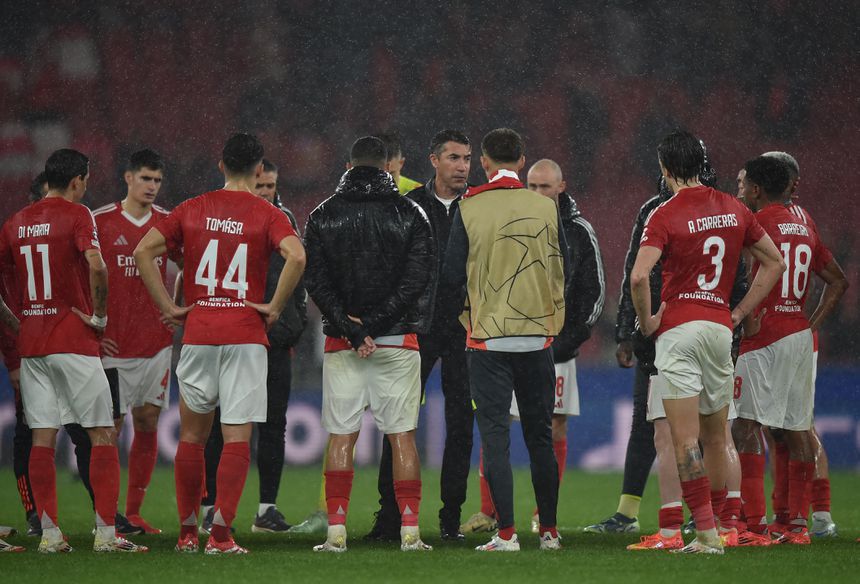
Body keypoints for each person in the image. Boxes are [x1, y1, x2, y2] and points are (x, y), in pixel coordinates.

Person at [134, 133, 306, 554]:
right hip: (245, 333)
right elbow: (297, 256)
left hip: (200, 331)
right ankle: (222, 536)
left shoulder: (191, 208)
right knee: (236, 438)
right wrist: (274, 307)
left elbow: (143, 251)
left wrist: (169, 308)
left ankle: (188, 532)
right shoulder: (266, 212)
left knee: (192, 438)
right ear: (259, 170)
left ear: (220, 165)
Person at [630, 130, 784, 554]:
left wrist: (647, 322)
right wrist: (737, 312)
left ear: (665, 168)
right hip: (719, 329)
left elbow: (640, 276)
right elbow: (774, 261)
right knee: (719, 436)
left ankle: (705, 535)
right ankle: (726, 525)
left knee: (683, 439)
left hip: (680, 330)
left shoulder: (663, 213)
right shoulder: (734, 207)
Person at [0, 149, 147, 553]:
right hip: (73, 341)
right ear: (78, 180)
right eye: (86, 179)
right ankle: (105, 534)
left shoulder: (15, 222)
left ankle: (49, 535)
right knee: (102, 433)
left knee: (42, 439)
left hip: (33, 345)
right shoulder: (79, 216)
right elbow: (97, 266)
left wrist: (18, 323)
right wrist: (99, 316)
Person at [303, 136, 435, 553]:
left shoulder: (322, 215)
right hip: (397, 342)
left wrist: (352, 328)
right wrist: (376, 325)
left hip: (343, 344)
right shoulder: (411, 212)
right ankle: (411, 533)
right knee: (402, 438)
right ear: (387, 167)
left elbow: (316, 281)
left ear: (348, 166)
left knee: (342, 436)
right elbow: (417, 280)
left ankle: (335, 533)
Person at [441, 128, 568, 552]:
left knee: (495, 436)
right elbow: (560, 266)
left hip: (488, 341)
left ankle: (508, 533)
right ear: (521, 159)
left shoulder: (470, 206)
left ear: (484, 162)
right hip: (537, 339)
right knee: (540, 438)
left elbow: (451, 276)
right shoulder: (545, 206)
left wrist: (467, 315)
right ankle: (548, 531)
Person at [467, 159, 605, 535]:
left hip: (554, 347)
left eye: (545, 187)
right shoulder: (517, 223)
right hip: (511, 339)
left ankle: (541, 517)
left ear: (561, 187)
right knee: (497, 424)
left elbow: (592, 296)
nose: (538, 192)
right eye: (532, 186)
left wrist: (563, 342)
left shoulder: (577, 230)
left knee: (552, 428)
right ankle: (488, 511)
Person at [733, 155, 847, 545]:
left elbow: (762, 270)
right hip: (799, 335)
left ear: (757, 190)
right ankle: (796, 525)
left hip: (764, 335)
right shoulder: (805, 222)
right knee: (796, 429)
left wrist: (746, 315)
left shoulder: (757, 222)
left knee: (745, 425)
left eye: (744, 184)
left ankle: (752, 525)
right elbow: (838, 281)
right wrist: (808, 323)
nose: (740, 190)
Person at [365, 129, 473, 542]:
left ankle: (450, 519)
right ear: (433, 160)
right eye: (454, 158)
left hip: (465, 330)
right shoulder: (408, 206)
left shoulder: (478, 206)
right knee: (398, 423)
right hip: (416, 329)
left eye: (466, 158)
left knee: (461, 423)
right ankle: (390, 517)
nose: (462, 166)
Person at [199, 158, 308, 534]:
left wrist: (292, 322)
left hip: (275, 340)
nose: (266, 193)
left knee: (273, 424)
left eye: (271, 187)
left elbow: (299, 274)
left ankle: (266, 509)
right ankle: (210, 506)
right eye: (261, 186)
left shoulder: (285, 219)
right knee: (218, 423)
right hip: (235, 333)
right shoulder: (227, 217)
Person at [91, 149, 173, 535]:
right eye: (145, 179)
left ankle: (134, 511)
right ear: (127, 178)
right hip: (113, 345)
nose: (152, 187)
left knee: (148, 420)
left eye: (157, 180)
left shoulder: (169, 224)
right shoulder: (100, 221)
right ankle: (108, 514)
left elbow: (190, 267)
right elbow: (81, 275)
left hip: (156, 342)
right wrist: (96, 327)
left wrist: (175, 308)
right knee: (112, 426)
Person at [584, 176, 672, 534]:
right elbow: (632, 273)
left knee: (673, 428)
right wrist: (625, 331)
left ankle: (703, 516)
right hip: (683, 331)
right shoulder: (722, 210)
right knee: (653, 425)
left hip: (666, 329)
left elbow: (635, 275)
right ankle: (631, 513)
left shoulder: (657, 211)